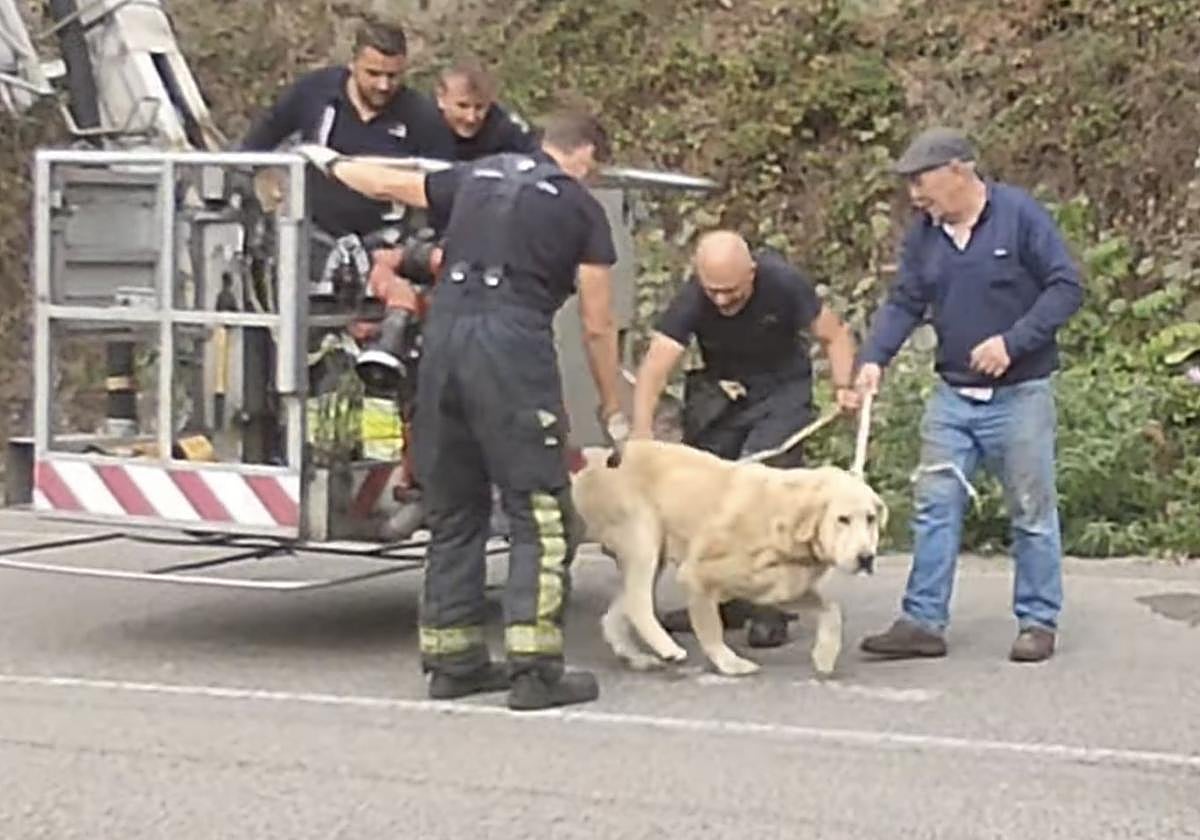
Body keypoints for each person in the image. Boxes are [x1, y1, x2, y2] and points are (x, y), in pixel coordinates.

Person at [296, 107, 629, 710]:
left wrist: (330, 162)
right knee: (540, 513)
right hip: (510, 348)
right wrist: (612, 406)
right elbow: (598, 324)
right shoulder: (581, 207)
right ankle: (535, 672)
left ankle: (454, 663)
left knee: (454, 509)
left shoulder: (477, 175)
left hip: (444, 347)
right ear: (586, 155)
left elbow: (388, 183)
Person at [854, 126, 1083, 664]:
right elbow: (906, 301)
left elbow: (1066, 288)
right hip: (953, 396)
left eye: (921, 181)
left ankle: (1037, 621)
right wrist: (874, 358)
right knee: (935, 506)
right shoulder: (924, 236)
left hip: (1020, 395)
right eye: (910, 184)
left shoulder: (1018, 215)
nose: (915, 195)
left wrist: (1012, 343)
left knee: (1030, 509)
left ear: (959, 171)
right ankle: (922, 621)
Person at [629, 230, 861, 648]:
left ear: (751, 272)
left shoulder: (783, 283)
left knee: (766, 488)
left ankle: (771, 608)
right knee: (713, 496)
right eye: (713, 291)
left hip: (782, 392)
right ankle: (726, 599)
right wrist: (642, 436)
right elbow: (654, 368)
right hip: (726, 394)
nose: (721, 300)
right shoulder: (693, 297)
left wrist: (844, 386)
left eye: (731, 291)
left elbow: (835, 335)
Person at [240, 19, 455, 240]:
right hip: (313, 235)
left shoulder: (422, 116)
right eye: (373, 73)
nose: (383, 85)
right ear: (353, 64)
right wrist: (258, 190)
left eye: (392, 76)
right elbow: (255, 145)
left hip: (386, 240)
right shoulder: (315, 91)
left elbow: (445, 192)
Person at [433, 55, 538, 162]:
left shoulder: (504, 125)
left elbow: (540, 158)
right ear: (441, 98)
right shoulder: (424, 120)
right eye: (463, 106)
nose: (471, 118)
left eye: (479, 107)